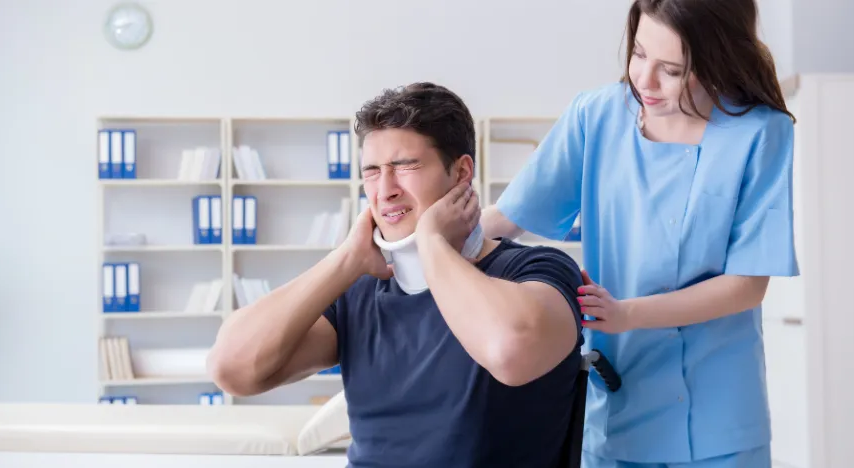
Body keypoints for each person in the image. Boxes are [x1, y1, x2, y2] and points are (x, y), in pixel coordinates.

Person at [480, 1, 798, 467]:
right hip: (619, 407)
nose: (644, 81)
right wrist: (418, 244)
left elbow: (747, 285)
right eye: (639, 53)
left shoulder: (760, 132)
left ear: (719, 58)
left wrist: (627, 313)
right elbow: (509, 217)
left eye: (671, 70)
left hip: (720, 417)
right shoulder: (596, 116)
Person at [208, 82, 587, 467]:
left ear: (461, 172)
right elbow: (232, 369)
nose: (385, 190)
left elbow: (511, 352)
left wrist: (432, 242)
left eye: (406, 166)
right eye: (372, 172)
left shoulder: (539, 270)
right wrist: (346, 259)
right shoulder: (358, 291)